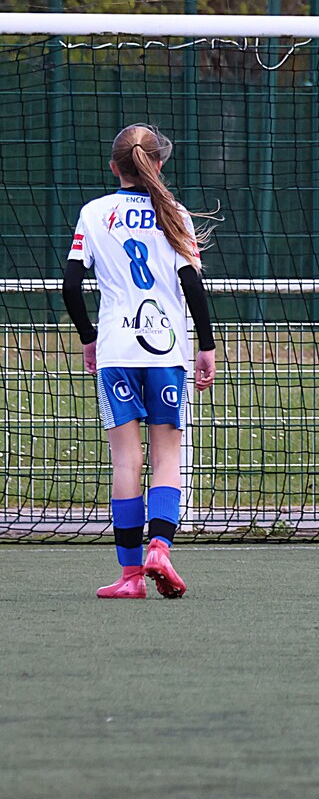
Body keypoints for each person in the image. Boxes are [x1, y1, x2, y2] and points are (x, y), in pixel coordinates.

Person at [63, 124, 218, 599]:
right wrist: (206, 345)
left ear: (115, 166)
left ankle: (131, 577)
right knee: (166, 456)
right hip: (166, 352)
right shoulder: (175, 213)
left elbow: (70, 286)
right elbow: (192, 285)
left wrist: (89, 339)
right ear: (159, 164)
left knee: (126, 462)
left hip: (116, 351)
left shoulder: (94, 213)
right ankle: (161, 548)